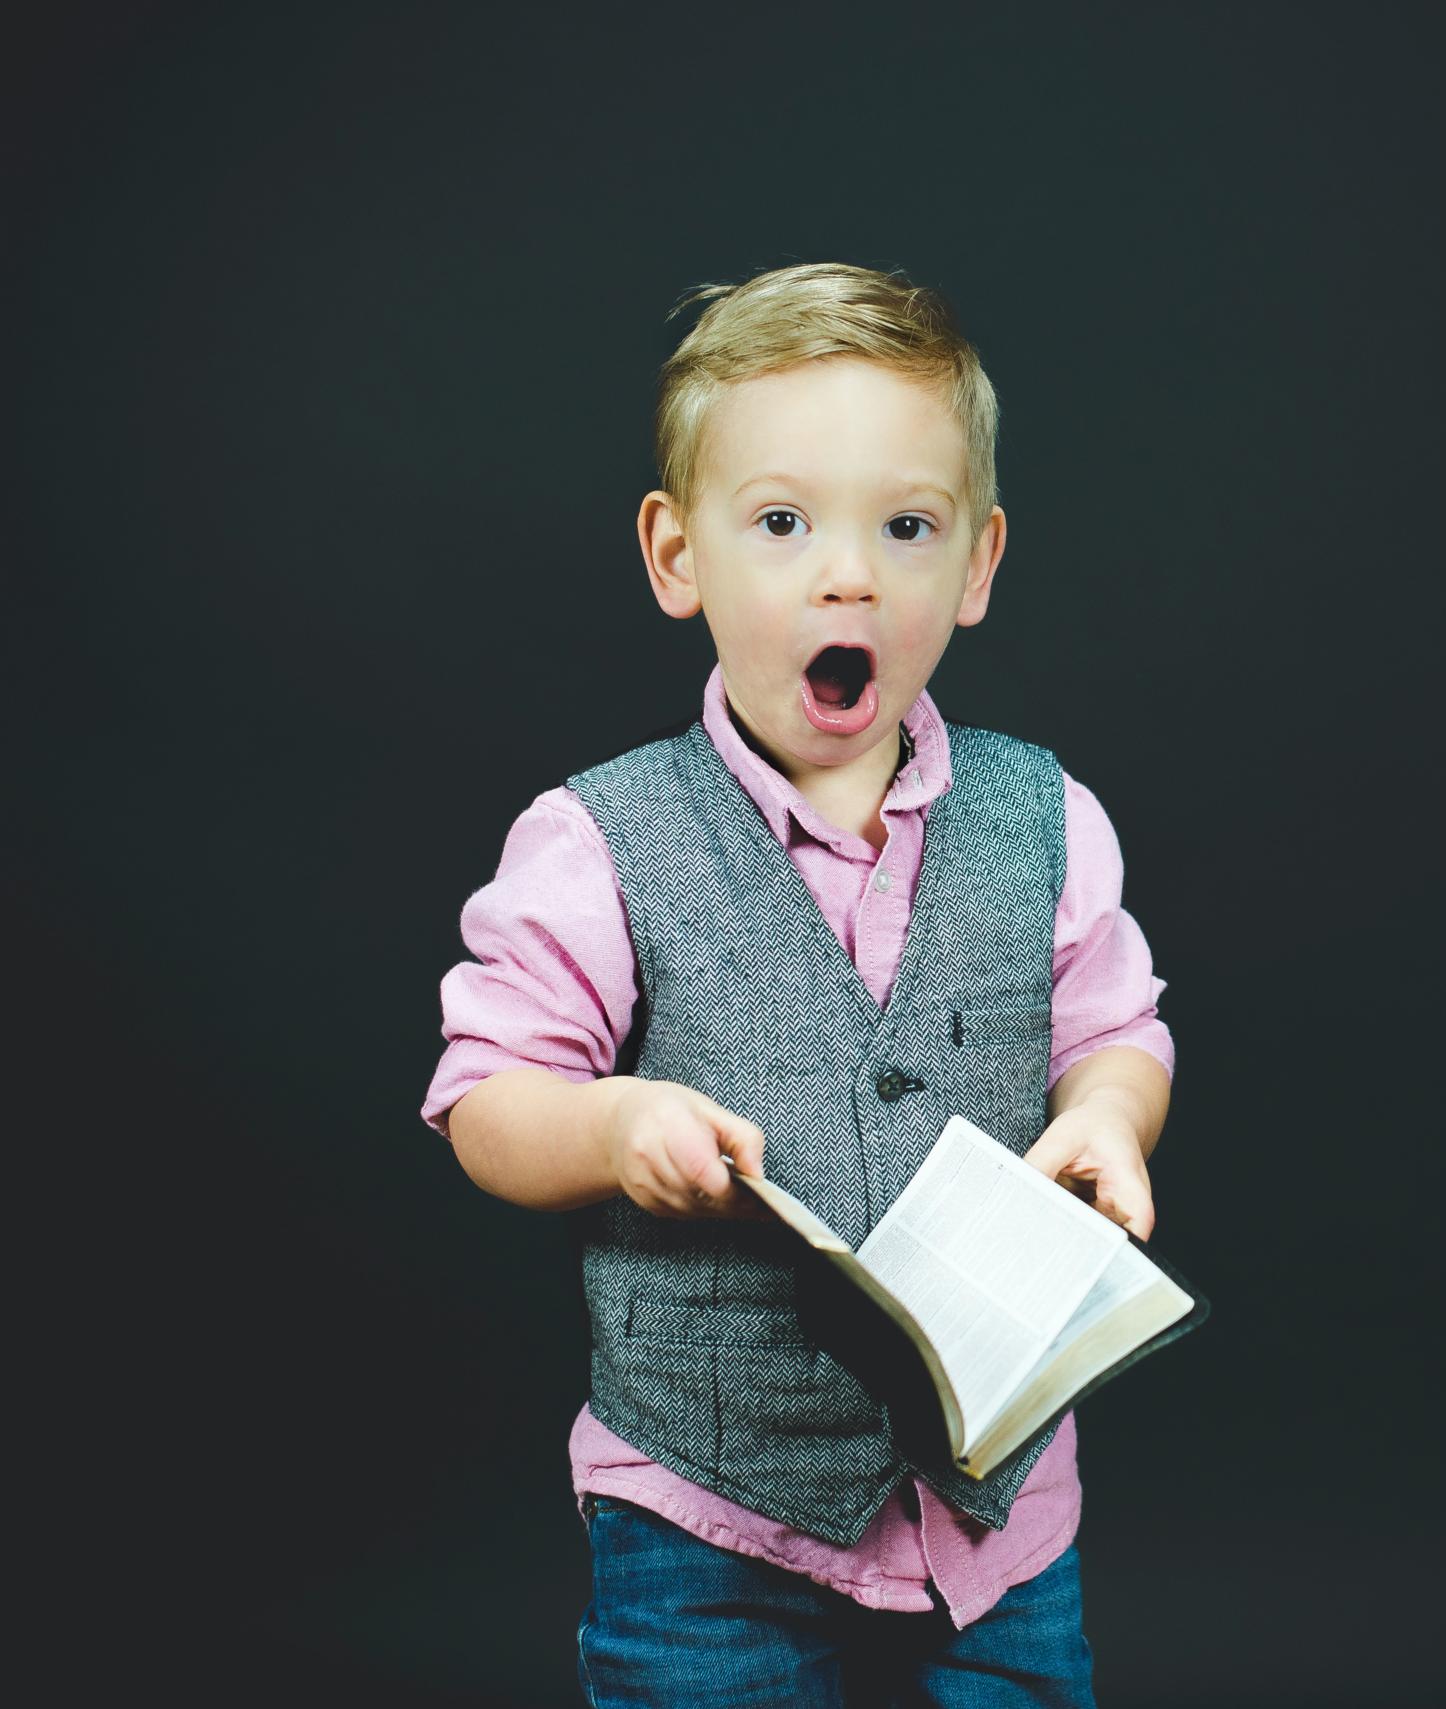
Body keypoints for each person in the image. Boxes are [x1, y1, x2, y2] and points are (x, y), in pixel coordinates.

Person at [420, 261, 1175, 1708]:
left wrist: (1112, 1116)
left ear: (977, 565)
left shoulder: (1046, 816)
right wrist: (610, 1125)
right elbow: (483, 1099)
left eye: (907, 526)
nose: (851, 574)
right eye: (782, 523)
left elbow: (1117, 1027)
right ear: (676, 555)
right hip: (708, 1514)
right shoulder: (599, 840)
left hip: (997, 1522)